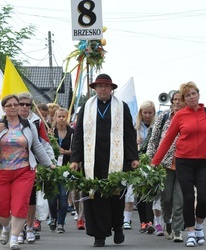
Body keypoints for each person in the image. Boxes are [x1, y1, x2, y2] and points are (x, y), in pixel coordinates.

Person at [150, 82, 206, 247]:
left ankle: (199, 227)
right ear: (184, 99)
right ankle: (191, 232)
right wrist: (155, 162)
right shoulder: (180, 116)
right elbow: (167, 140)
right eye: (187, 95)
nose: (191, 97)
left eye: (193, 94)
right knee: (187, 197)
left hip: (205, 162)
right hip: (184, 162)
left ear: (198, 94)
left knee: (202, 198)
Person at [70, 74, 139, 247]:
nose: (102, 89)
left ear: (111, 89)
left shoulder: (121, 107)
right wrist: (76, 159)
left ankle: (117, 227)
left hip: (116, 159)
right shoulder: (87, 107)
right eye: (99, 86)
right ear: (94, 88)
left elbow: (129, 134)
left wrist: (133, 158)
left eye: (106, 86)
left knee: (115, 196)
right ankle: (99, 235)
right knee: (94, 197)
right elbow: (78, 135)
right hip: (92, 161)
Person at [0, 94, 56, 250]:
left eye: (16, 104)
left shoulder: (28, 125)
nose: (14, 107)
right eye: (9, 105)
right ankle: (6, 227)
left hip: (23, 172)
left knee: (20, 204)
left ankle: (14, 238)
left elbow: (37, 146)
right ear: (3, 108)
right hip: (0, 171)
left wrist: (49, 164)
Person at [146, 90, 185, 241]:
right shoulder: (163, 118)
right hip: (164, 165)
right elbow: (153, 141)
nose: (176, 102)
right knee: (166, 198)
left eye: (179, 99)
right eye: (174, 99)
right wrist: (150, 161)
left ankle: (177, 230)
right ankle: (167, 222)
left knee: (179, 199)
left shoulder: (188, 118)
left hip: (183, 165)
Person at [17, 92, 55, 244]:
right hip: (12, 166)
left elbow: (43, 143)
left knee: (31, 199)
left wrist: (51, 163)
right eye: (22, 104)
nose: (25, 107)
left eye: (28, 105)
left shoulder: (37, 121)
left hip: (31, 165)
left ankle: (30, 227)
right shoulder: (9, 120)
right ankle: (19, 230)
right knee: (18, 200)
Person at [124, 100, 156, 234]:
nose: (147, 115)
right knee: (139, 192)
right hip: (138, 160)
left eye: (150, 113)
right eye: (145, 113)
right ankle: (143, 221)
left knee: (150, 192)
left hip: (152, 161)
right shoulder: (136, 127)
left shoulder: (156, 127)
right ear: (141, 113)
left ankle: (150, 221)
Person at [47, 107, 74, 234]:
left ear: (67, 117)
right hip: (52, 168)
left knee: (63, 197)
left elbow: (77, 150)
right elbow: (44, 148)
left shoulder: (72, 132)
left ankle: (61, 223)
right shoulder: (51, 132)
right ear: (55, 118)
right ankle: (53, 217)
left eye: (64, 116)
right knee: (52, 197)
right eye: (59, 116)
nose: (62, 119)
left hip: (66, 168)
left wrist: (67, 152)